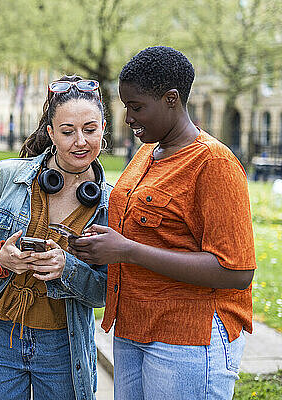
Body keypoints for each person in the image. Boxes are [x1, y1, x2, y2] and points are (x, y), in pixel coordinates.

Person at [69, 46, 256, 400]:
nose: (128, 118)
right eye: (126, 107)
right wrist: (99, 247)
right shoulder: (146, 153)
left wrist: (127, 250)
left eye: (136, 107)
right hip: (132, 328)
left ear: (172, 99)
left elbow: (236, 271)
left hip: (187, 339)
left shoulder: (214, 163)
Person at [0, 75, 112, 400]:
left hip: (64, 347)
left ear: (103, 128)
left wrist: (67, 267)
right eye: (67, 132)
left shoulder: (112, 203)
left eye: (90, 130)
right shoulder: (3, 177)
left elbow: (104, 293)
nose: (80, 141)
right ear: (50, 132)